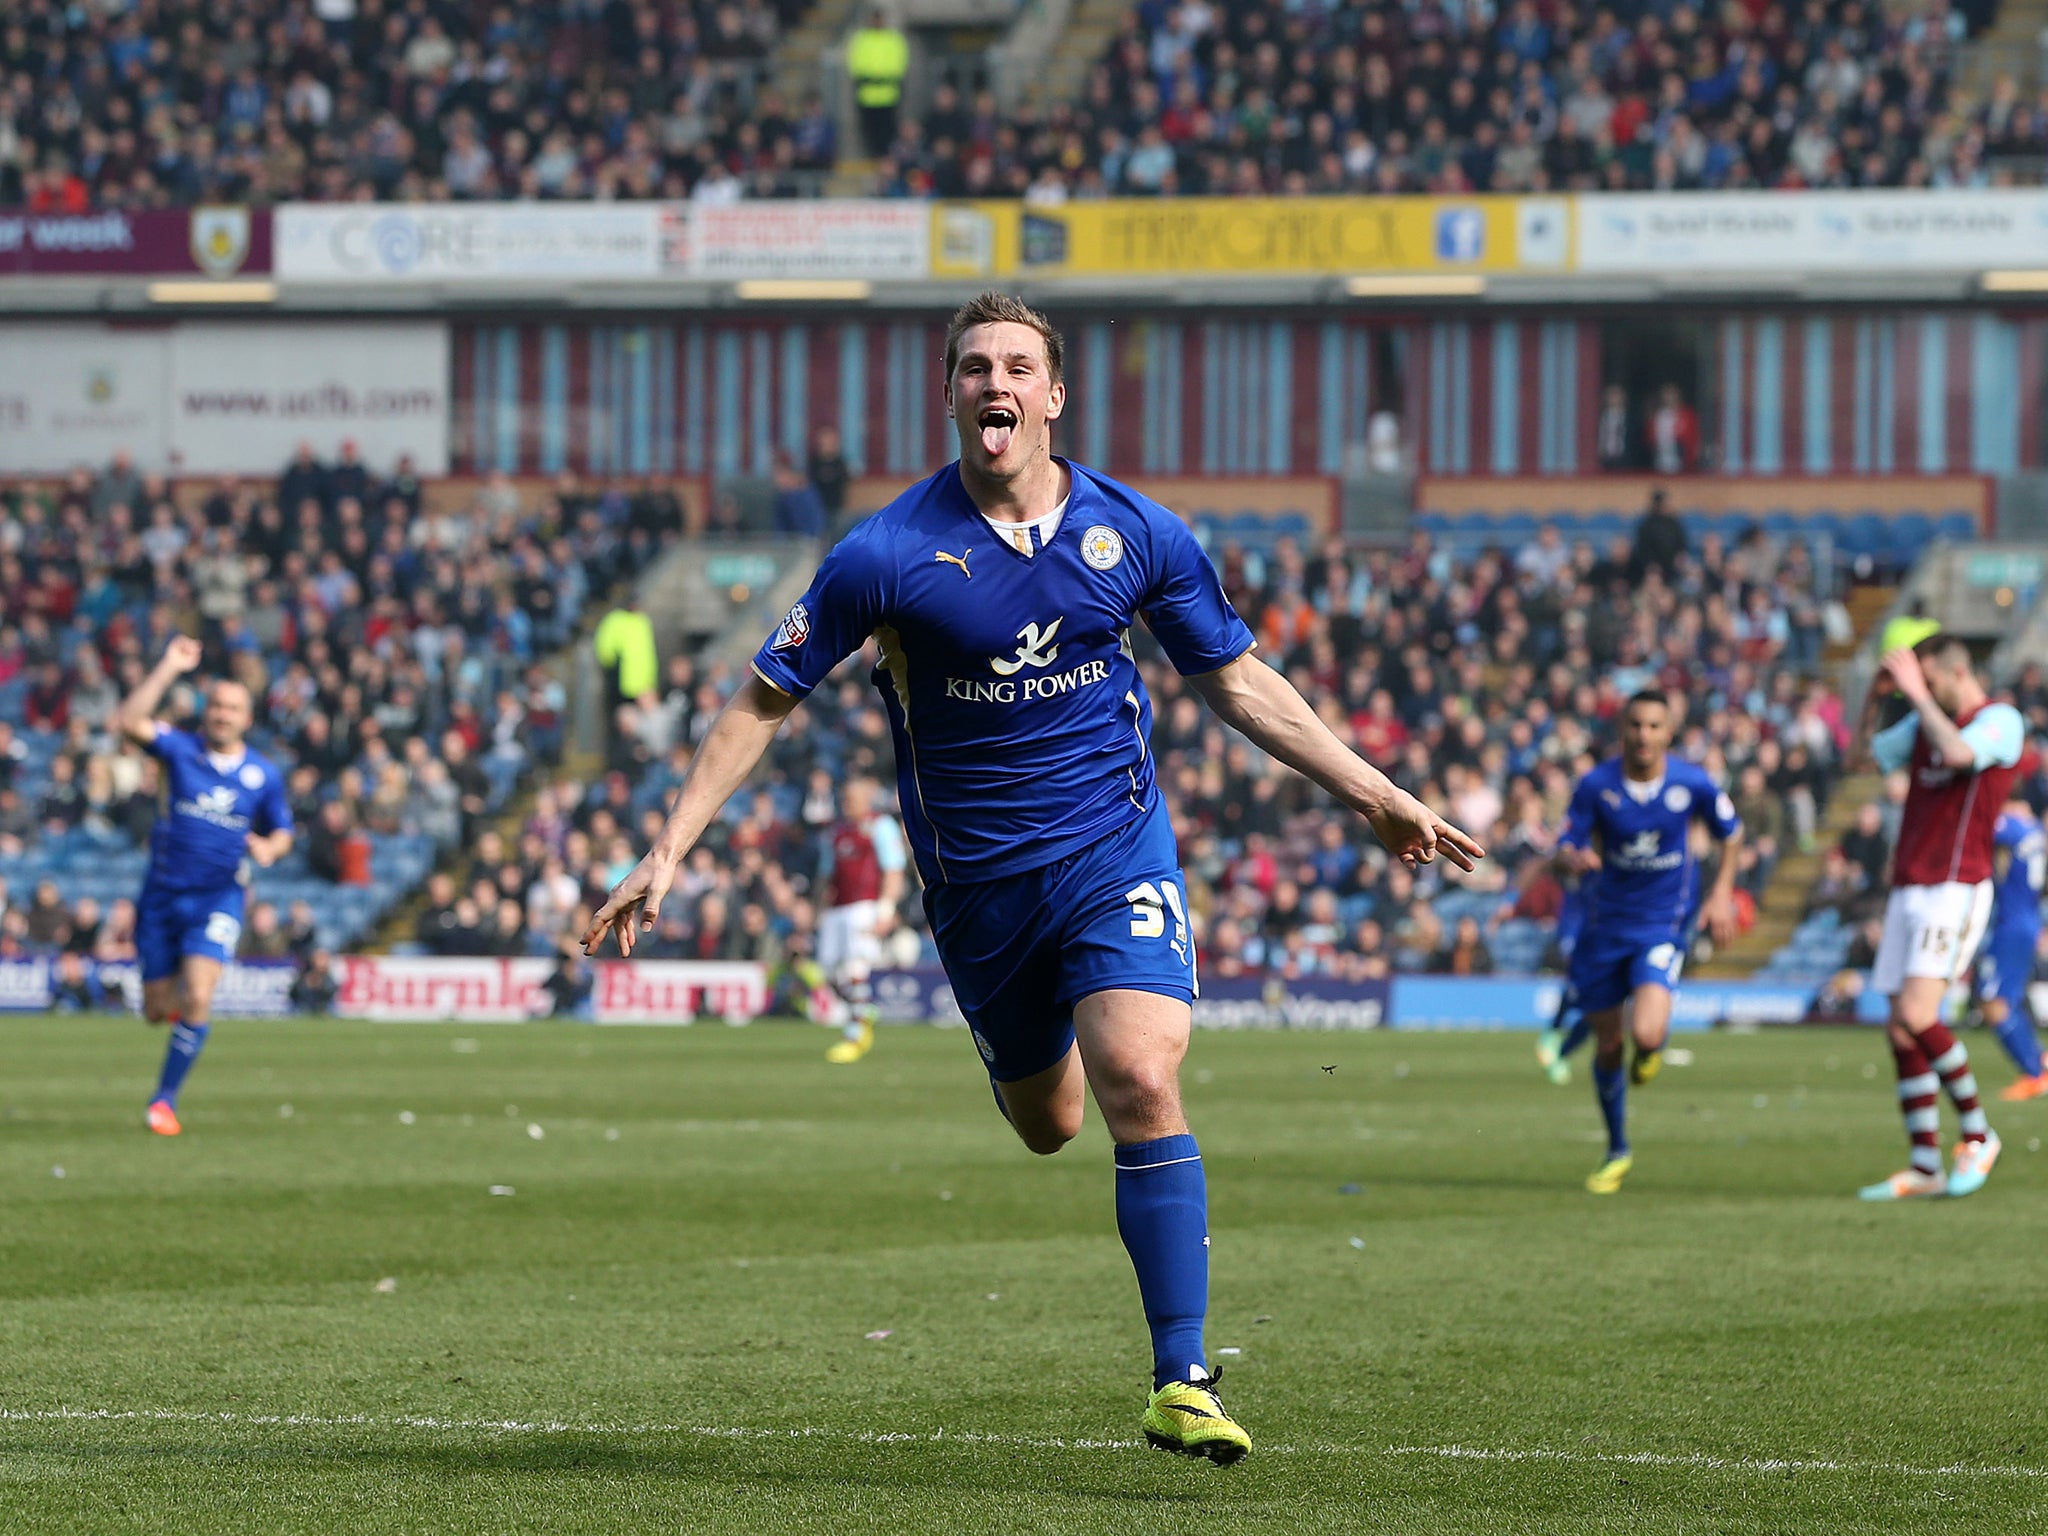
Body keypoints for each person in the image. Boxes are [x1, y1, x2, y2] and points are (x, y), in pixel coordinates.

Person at [585, 291, 1482, 1466]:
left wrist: (1373, 791)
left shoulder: (1136, 533)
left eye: (1015, 366)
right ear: (951, 393)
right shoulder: (886, 554)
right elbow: (765, 696)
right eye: (972, 368)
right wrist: (670, 847)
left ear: (1053, 394)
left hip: (1115, 851)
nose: (992, 385)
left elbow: (1238, 680)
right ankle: (1039, 1077)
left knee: (1137, 1076)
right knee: (1049, 1124)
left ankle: (1181, 1375)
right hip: (979, 892)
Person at [1857, 635, 2024, 1200]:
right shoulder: (1926, 722)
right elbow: (1867, 756)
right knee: (1899, 1027)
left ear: (1956, 672)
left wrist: (1915, 697)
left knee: (1917, 1011)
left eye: (1929, 681)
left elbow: (1958, 754)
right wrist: (1879, 700)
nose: (1921, 692)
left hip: (1955, 886)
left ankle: (1979, 1133)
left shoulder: (2000, 720)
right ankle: (1925, 1166)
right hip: (1910, 884)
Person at [1555, 690, 1742, 1194]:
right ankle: (1617, 1149)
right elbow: (1566, 842)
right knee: (1609, 1044)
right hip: (1604, 926)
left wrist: (1722, 893)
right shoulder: (1596, 785)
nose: (1644, 735)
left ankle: (1650, 1052)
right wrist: (1572, 857)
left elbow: (1733, 832)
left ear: (1669, 733)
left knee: (1650, 1034)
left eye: (1655, 726)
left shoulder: (1692, 782)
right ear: (1623, 729)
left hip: (1661, 925)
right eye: (1636, 725)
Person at [115, 636, 294, 1137]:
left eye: (232, 708)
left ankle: (164, 1101)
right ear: (205, 710)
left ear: (247, 718)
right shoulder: (179, 749)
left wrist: (270, 849)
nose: (222, 714)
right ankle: (176, 1018)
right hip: (161, 896)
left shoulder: (263, 775)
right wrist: (168, 666)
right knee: (156, 1010)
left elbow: (283, 830)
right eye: (216, 705)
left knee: (197, 993)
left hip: (218, 896)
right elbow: (128, 722)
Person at [814, 775, 907, 1063]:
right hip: (837, 908)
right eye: (844, 799)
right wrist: (819, 909)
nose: (846, 804)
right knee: (826, 972)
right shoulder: (837, 832)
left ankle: (855, 1035)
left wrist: (885, 910)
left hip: (864, 906)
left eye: (851, 799)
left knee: (856, 968)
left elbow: (893, 870)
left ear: (867, 800)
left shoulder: (880, 826)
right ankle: (864, 1009)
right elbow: (826, 874)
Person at [1976, 797, 2047, 1100]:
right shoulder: (2035, 836)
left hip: (2012, 925)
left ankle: (2034, 1072)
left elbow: (1978, 827)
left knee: (1994, 1002)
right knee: (2008, 998)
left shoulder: (2015, 827)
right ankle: (2038, 1061)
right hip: (2024, 921)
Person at [847, 8, 909, 160]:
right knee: (869, 131)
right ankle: (873, 158)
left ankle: (886, 159)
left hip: (888, 95)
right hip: (868, 96)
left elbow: (899, 64)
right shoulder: (862, 39)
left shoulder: (893, 39)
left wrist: (883, 78)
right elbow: (856, 65)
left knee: (887, 131)